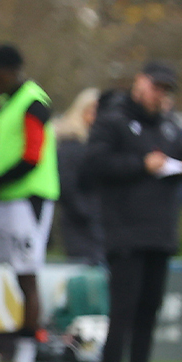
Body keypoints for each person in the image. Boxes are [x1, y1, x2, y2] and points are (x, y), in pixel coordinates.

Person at [83, 62, 182, 362]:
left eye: (166, 90)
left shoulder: (169, 127)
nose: (160, 96)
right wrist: (140, 165)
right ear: (140, 83)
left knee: (150, 306)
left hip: (160, 229)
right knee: (124, 306)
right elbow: (95, 165)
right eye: (156, 87)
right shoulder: (113, 121)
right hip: (125, 228)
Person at [0, 44, 58, 362]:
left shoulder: (33, 101)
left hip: (25, 198)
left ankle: (25, 357)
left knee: (26, 276)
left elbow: (32, 155)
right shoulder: (3, 105)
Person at [53, 88, 102, 264]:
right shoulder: (71, 144)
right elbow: (66, 185)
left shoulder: (95, 145)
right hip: (80, 225)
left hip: (96, 222)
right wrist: (87, 212)